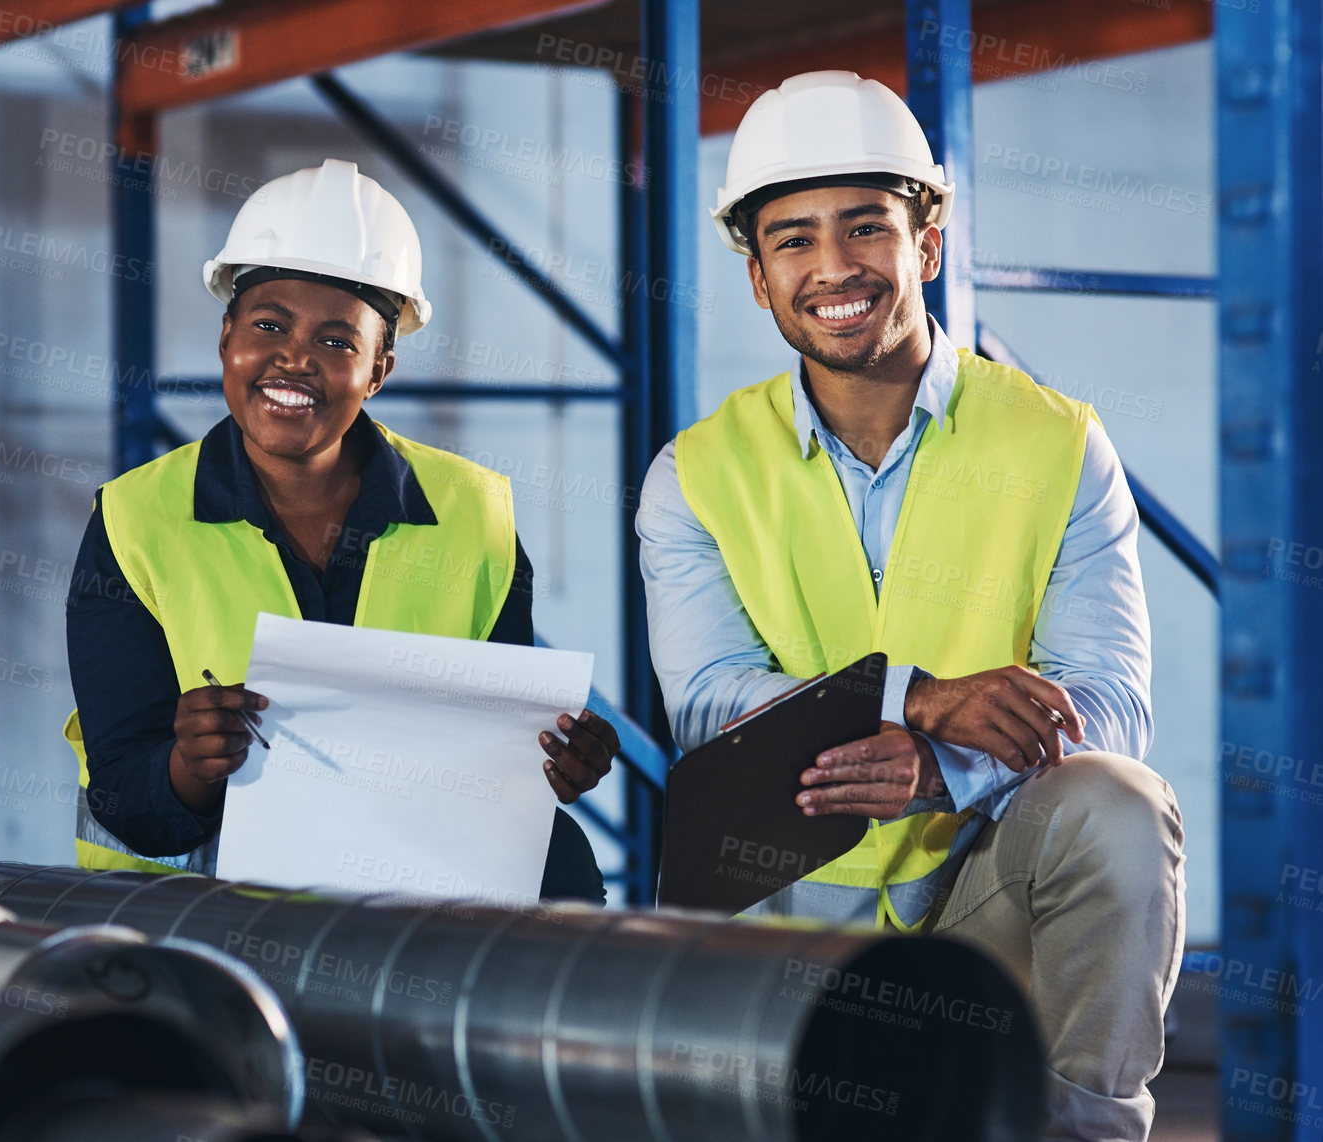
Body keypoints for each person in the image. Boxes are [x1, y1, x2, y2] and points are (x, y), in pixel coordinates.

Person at [638, 72, 1184, 1140]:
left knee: (1119, 801)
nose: (833, 267)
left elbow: (1109, 701)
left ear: (925, 243)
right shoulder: (694, 474)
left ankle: (1087, 1130)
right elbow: (707, 705)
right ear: (756, 276)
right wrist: (915, 699)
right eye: (793, 239)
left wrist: (945, 767)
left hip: (988, 888)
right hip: (789, 913)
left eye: (865, 228)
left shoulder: (1057, 443)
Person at [64, 159, 618, 903]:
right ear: (226, 336)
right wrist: (188, 768)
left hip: (412, 899)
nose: (294, 357)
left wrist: (556, 761)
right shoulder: (136, 520)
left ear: (378, 368)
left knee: (564, 871)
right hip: (203, 926)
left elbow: (494, 754)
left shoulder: (470, 512)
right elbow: (128, 804)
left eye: (336, 342)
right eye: (267, 325)